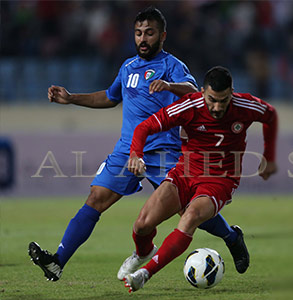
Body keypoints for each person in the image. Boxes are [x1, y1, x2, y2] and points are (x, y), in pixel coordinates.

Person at [28, 7, 249, 282]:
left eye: (149, 33)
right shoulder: (128, 67)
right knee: (95, 199)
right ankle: (58, 262)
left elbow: (195, 92)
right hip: (127, 150)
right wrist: (72, 98)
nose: (143, 39)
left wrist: (168, 86)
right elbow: (110, 97)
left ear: (162, 36)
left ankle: (231, 236)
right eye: (138, 33)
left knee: (188, 210)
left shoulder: (172, 65)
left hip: (166, 151)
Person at [121, 66, 278, 292]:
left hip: (221, 179)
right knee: (143, 225)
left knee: (191, 216)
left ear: (232, 93)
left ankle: (145, 274)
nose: (217, 107)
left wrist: (268, 156)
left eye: (223, 101)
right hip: (185, 172)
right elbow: (144, 127)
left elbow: (270, 115)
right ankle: (143, 253)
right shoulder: (189, 106)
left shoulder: (245, 106)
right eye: (212, 100)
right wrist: (136, 154)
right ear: (203, 91)